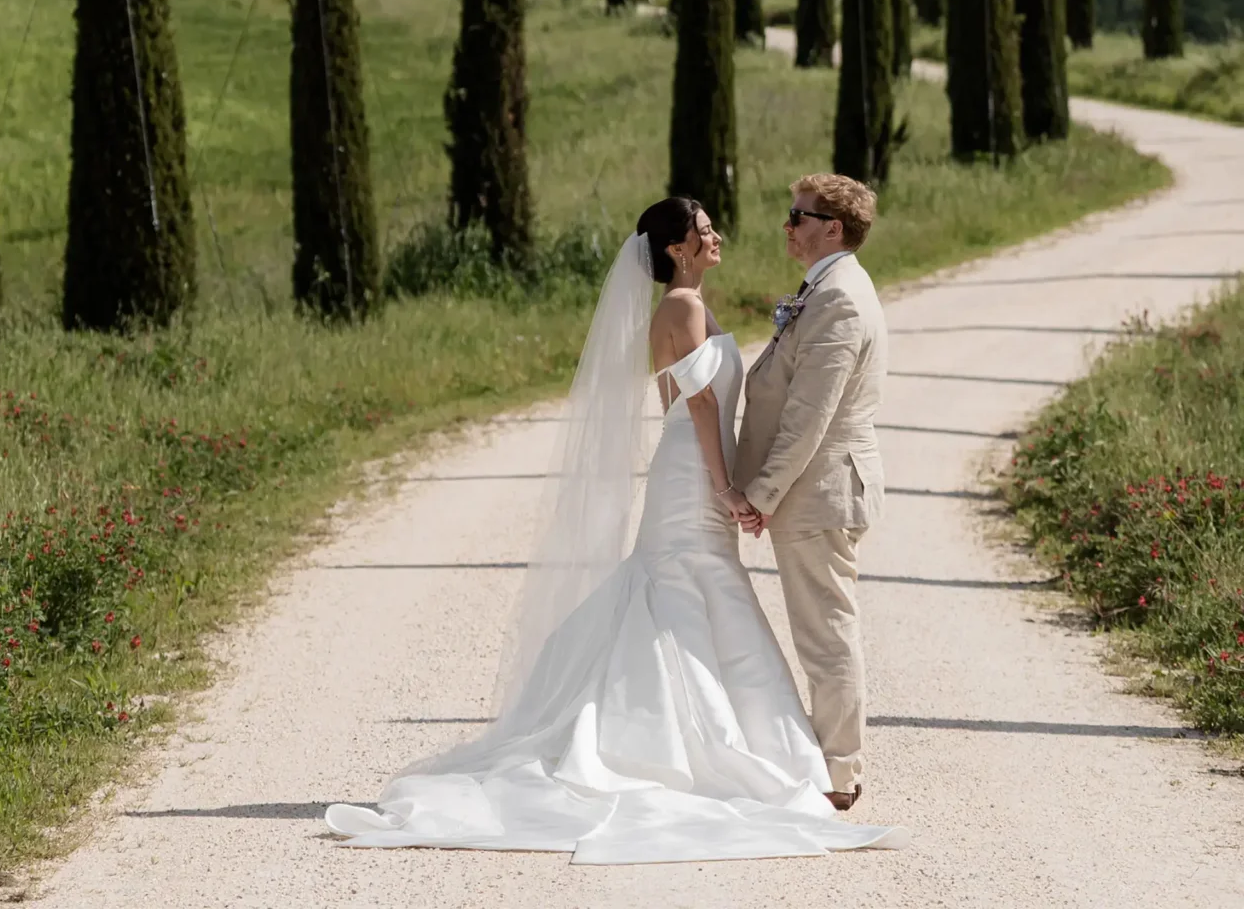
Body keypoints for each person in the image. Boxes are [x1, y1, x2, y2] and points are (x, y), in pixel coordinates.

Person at [325, 195, 906, 863]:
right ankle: (701, 751)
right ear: (677, 249)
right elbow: (697, 404)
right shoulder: (681, 309)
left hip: (698, 469)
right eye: (705, 231)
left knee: (702, 596)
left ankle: (752, 751)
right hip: (693, 474)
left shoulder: (695, 307)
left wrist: (736, 481)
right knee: (683, 592)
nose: (718, 236)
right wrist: (725, 486)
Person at [735, 173, 887, 810]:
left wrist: (763, 493)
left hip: (819, 487)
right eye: (788, 213)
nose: (787, 226)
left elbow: (811, 414)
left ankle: (838, 775)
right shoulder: (825, 288)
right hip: (813, 486)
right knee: (822, 629)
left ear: (834, 228)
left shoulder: (841, 298)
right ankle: (832, 764)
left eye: (798, 216)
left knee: (826, 631)